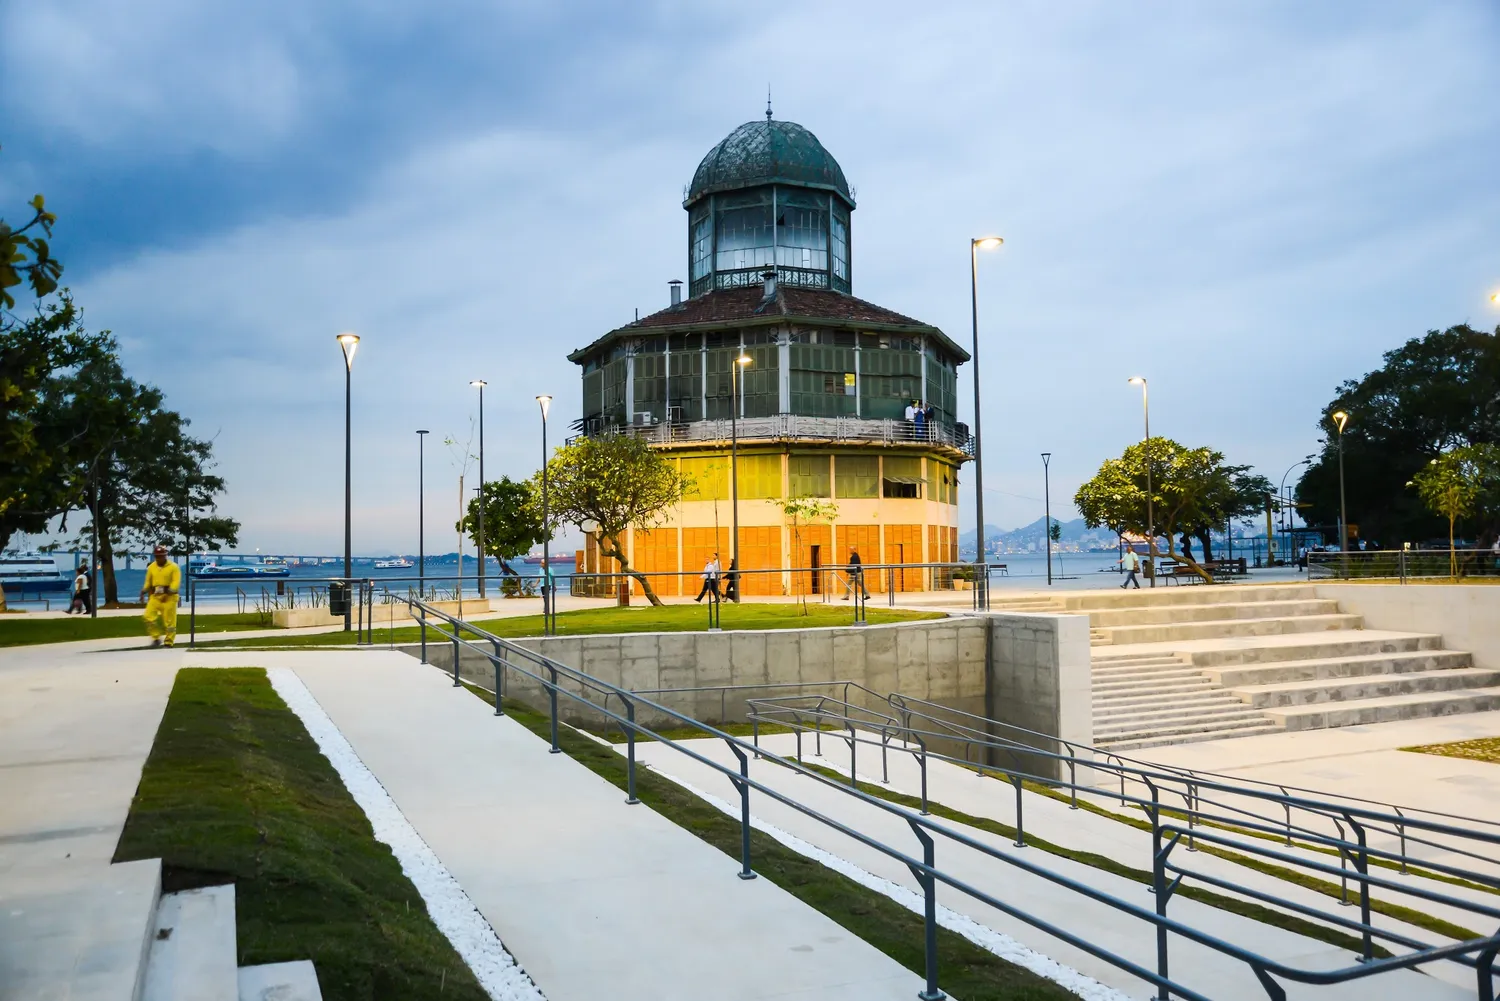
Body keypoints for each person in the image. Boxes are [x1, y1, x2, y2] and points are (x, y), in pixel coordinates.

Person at [140, 545, 181, 647]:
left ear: (165, 556)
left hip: (169, 597)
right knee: (148, 616)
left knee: (169, 622)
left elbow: (176, 582)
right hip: (155, 596)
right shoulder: (151, 567)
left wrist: (170, 592)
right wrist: (143, 591)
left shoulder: (173, 567)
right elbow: (148, 582)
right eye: (157, 556)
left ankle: (169, 641)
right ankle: (156, 637)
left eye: (161, 556)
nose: (159, 558)